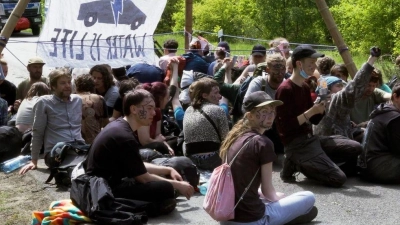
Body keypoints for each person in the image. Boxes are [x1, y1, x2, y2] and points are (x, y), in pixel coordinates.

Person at [85, 89, 194, 217]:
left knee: (164, 182)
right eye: (149, 108)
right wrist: (178, 185)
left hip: (106, 181)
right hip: (103, 188)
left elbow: (136, 165)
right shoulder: (124, 136)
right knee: (166, 188)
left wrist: (167, 169)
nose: (153, 113)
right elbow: (143, 177)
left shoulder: (120, 126)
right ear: (134, 109)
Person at [219, 91, 317, 225]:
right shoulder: (263, 143)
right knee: (308, 197)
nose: (270, 116)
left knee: (275, 197)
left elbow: (240, 183)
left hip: (226, 217)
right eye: (264, 112)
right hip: (252, 220)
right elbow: (268, 191)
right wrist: (278, 198)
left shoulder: (234, 137)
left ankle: (288, 215)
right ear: (250, 115)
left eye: (272, 111)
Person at [276, 45, 347, 187]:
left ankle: (312, 161)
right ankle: (295, 162)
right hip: (295, 144)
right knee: (338, 178)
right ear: (299, 64)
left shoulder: (305, 87)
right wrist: (312, 111)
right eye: (311, 63)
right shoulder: (285, 89)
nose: (314, 66)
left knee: (354, 147)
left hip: (310, 139)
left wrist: (322, 106)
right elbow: (286, 127)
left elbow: (314, 120)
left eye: (315, 63)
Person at [19, 68, 84, 175]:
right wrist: (34, 160)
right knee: (78, 171)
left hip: (78, 148)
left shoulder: (77, 100)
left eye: (69, 82)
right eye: (63, 83)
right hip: (56, 152)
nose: (68, 86)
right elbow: (37, 132)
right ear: (53, 86)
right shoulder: (44, 102)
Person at [314, 48, 381, 142]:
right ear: (328, 90)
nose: (342, 89)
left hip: (339, 140)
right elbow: (352, 91)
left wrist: (349, 124)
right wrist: (371, 60)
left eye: (343, 86)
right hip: (331, 145)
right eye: (338, 86)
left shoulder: (324, 98)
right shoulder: (329, 101)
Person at [183, 77, 229, 170]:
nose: (220, 96)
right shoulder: (218, 110)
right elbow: (226, 140)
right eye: (216, 93)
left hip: (191, 159)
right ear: (204, 95)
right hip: (213, 159)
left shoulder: (188, 110)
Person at [358, 83, 400, 184]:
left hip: (366, 166)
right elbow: (398, 149)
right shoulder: (394, 117)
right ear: (395, 97)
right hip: (378, 167)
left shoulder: (384, 110)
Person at [136, 82, 175, 155]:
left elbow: (158, 134)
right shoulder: (144, 112)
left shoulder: (157, 111)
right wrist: (159, 142)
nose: (168, 101)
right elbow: (144, 141)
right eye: (167, 98)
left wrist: (167, 146)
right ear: (160, 98)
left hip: (154, 142)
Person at [75, 74, 109, 144]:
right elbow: (106, 123)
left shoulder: (71, 99)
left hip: (76, 142)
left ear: (77, 87)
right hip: (95, 141)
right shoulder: (99, 99)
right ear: (93, 86)